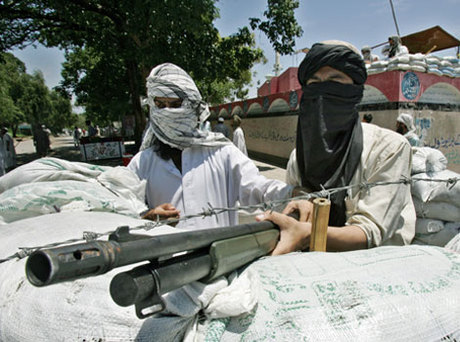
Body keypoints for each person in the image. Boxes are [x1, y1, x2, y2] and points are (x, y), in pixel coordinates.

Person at [257, 40, 415, 254]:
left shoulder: (388, 148)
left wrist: (306, 234)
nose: (323, 93)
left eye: (335, 81)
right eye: (314, 83)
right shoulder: (298, 158)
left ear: (356, 91)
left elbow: (370, 232)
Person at [127, 63, 294, 229]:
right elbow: (124, 208)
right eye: (161, 105)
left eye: (176, 105)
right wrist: (146, 216)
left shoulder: (221, 153)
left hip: (217, 254)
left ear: (192, 107)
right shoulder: (142, 163)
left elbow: (258, 187)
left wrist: (294, 194)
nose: (168, 112)